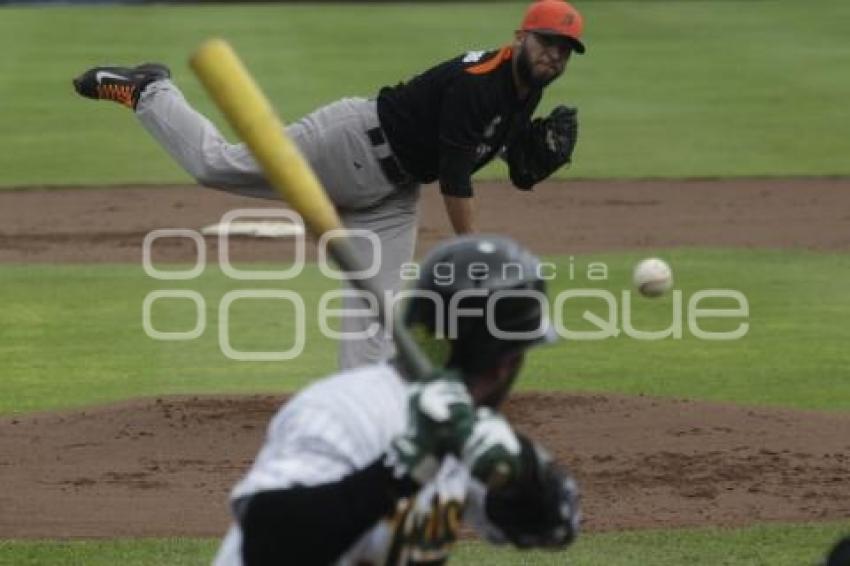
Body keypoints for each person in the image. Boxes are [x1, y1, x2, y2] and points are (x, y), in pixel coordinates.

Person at [72, 0, 586, 370]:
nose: (554, 58)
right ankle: (150, 91)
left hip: (393, 195)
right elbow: (454, 178)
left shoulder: (525, 92)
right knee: (218, 166)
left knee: (375, 315)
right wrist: (477, 256)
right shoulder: (481, 83)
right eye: (548, 44)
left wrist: (524, 164)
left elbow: (490, 153)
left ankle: (367, 420)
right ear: (522, 37)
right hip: (351, 145)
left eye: (565, 52)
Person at [208, 234, 580, 565]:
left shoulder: (459, 423)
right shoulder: (340, 410)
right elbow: (265, 541)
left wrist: (523, 472)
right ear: (506, 364)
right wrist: (401, 469)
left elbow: (557, 526)